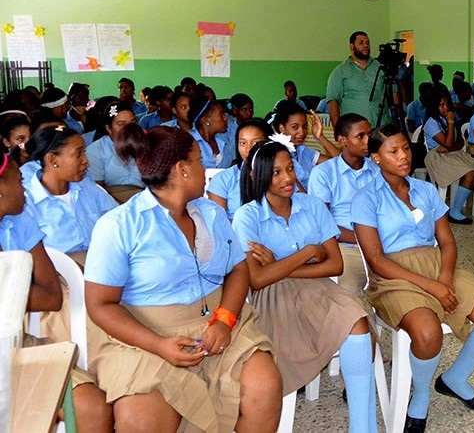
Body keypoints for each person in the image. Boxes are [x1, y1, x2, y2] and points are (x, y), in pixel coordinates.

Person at [85, 125, 282, 432]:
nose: (204, 169)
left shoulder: (212, 214)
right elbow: (100, 305)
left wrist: (224, 320)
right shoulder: (119, 225)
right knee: (141, 420)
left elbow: (238, 269)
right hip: (143, 337)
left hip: (217, 325)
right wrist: (159, 345)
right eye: (199, 161)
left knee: (264, 385)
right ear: (182, 170)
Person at [353, 124, 474, 433]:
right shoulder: (366, 198)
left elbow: (448, 243)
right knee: (428, 334)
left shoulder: (425, 190)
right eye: (393, 151)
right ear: (376, 158)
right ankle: (422, 394)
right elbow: (375, 260)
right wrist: (433, 287)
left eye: (405, 148)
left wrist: (445, 279)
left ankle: (454, 378)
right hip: (393, 274)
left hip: (437, 265)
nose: (403, 156)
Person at [233, 140, 377, 432]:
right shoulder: (247, 215)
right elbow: (257, 279)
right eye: (276, 172)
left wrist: (278, 266)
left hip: (318, 286)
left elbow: (335, 265)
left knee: (358, 323)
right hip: (271, 297)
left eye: (290, 168)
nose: (288, 178)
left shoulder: (311, 205)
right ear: (257, 175)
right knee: (291, 340)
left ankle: (363, 428)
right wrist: (308, 252)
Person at [0, 153, 114, 432]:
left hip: (16, 346)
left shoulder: (20, 222)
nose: (25, 189)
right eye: (19, 182)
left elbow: (52, 296)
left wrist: (7, 291)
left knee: (92, 406)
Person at [23, 125, 118, 264]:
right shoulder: (27, 203)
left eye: (84, 152)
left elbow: (117, 219)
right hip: (61, 273)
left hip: (104, 263)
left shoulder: (86, 187)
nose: (85, 160)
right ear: (53, 159)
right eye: (78, 154)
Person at [308, 113, 379, 296]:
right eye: (360, 136)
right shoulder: (323, 173)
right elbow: (323, 224)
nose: (368, 141)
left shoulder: (377, 169)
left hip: (382, 244)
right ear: (342, 141)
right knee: (347, 295)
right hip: (346, 247)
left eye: (369, 134)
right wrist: (363, 239)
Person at [423, 93, 474, 224]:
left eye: (447, 105)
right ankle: (454, 212)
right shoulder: (431, 123)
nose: (446, 108)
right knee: (471, 174)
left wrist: (450, 147)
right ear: (434, 106)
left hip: (453, 153)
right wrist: (451, 123)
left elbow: (460, 141)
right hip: (438, 156)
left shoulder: (448, 118)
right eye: (441, 105)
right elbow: (448, 143)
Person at [208, 119, 272, 220]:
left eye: (255, 143)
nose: (248, 149)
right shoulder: (223, 179)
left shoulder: (281, 174)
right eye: (242, 143)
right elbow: (219, 223)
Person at [86, 102, 144, 202]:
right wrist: (121, 206)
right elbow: (97, 189)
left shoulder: (148, 145)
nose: (128, 128)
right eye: (121, 124)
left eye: (133, 123)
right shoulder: (96, 150)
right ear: (109, 128)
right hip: (110, 201)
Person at [270, 100, 340, 184]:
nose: (302, 132)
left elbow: (340, 162)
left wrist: (320, 137)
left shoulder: (303, 151)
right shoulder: (277, 156)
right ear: (282, 128)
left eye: (305, 126)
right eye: (295, 127)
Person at [326, 31, 384, 127]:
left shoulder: (380, 67)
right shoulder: (341, 71)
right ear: (352, 46)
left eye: (367, 43)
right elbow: (332, 101)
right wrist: (338, 129)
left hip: (380, 126)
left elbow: (393, 93)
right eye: (361, 43)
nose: (366, 46)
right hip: (354, 128)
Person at [187, 97, 235, 169]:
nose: (225, 118)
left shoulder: (223, 141)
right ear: (206, 120)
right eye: (221, 114)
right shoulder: (189, 142)